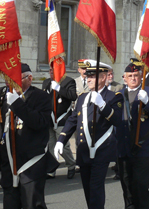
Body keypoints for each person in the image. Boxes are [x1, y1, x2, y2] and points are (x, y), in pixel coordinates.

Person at [54, 60, 123, 208]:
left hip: (101, 150)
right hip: (84, 149)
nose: (88, 79)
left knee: (96, 187)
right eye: (87, 76)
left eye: (92, 76)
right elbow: (72, 120)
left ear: (103, 78)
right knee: (87, 188)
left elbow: (117, 120)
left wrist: (103, 105)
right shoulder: (83, 97)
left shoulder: (113, 97)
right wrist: (61, 139)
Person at [0, 63, 58, 208]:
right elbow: (4, 127)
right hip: (10, 161)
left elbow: (39, 122)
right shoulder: (8, 96)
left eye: (16, 79)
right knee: (10, 203)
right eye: (9, 80)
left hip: (31, 161)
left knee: (32, 204)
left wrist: (17, 104)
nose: (11, 83)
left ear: (29, 78)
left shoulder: (41, 96)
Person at [115, 59, 149, 209]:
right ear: (124, 78)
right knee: (126, 185)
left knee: (141, 185)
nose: (133, 78)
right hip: (123, 146)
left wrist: (148, 102)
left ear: (141, 76)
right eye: (130, 76)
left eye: (136, 75)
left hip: (142, 147)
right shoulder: (118, 94)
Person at [42, 65, 78, 179]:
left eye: (53, 70)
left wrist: (59, 88)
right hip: (49, 119)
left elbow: (73, 96)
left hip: (61, 119)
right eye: (50, 70)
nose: (51, 72)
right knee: (50, 145)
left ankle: (71, 165)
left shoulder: (68, 81)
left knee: (63, 146)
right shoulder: (46, 82)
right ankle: (51, 169)